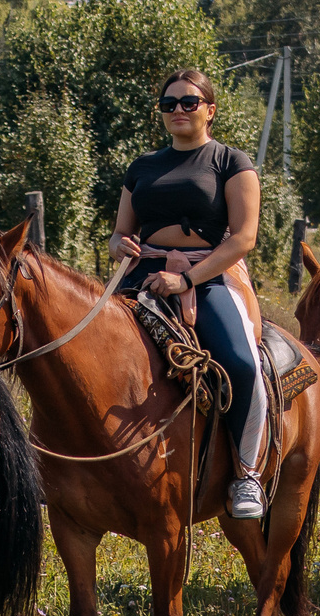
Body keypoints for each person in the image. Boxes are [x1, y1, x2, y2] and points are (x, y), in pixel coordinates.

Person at [110, 69, 272, 521]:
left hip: (208, 276)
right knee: (87, 353)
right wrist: (117, 244)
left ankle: (246, 474)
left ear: (210, 109)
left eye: (189, 102)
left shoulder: (231, 162)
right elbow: (120, 232)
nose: (178, 110)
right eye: (169, 104)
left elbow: (243, 239)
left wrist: (187, 280)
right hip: (139, 276)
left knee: (242, 363)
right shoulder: (141, 166)